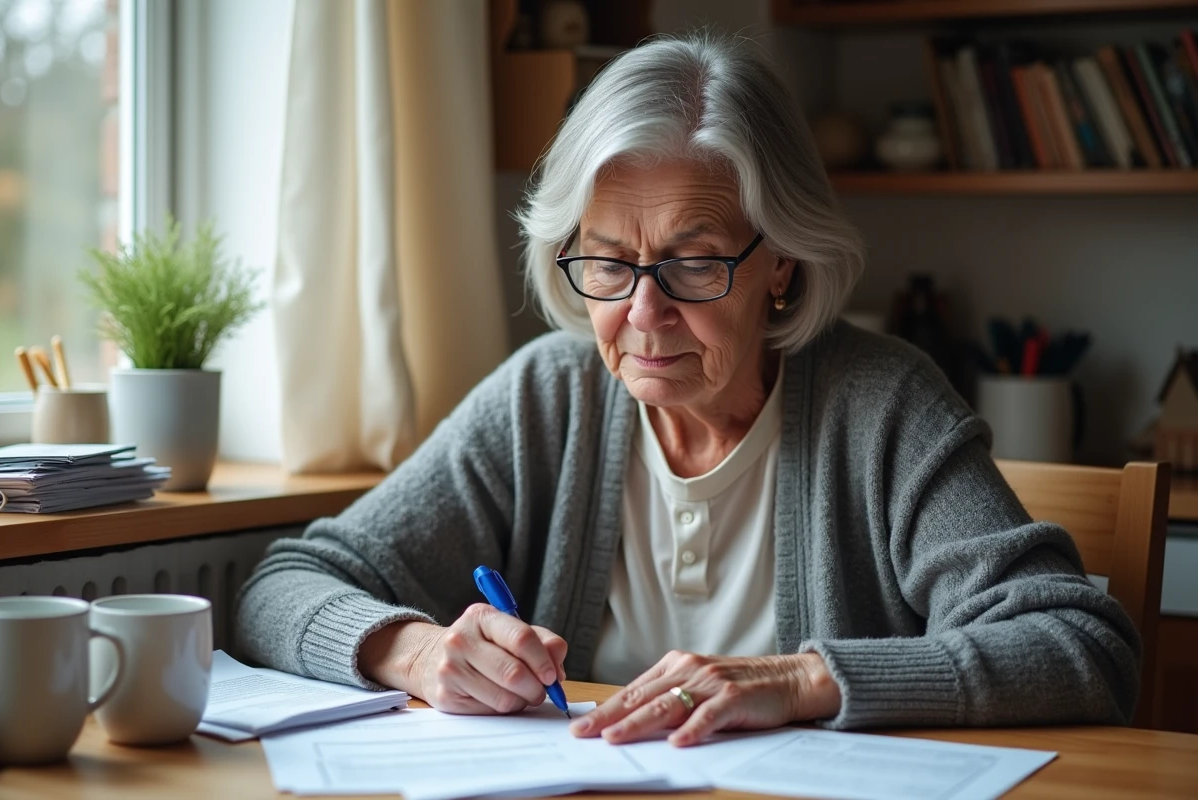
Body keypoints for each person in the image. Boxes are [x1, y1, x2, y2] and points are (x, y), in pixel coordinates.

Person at [236, 32, 1139, 747]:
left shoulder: (881, 406)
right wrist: (420, 651)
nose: (643, 313)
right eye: (608, 263)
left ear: (780, 263)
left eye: (694, 263)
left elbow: (1081, 647)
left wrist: (800, 680)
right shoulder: (546, 400)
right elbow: (284, 584)